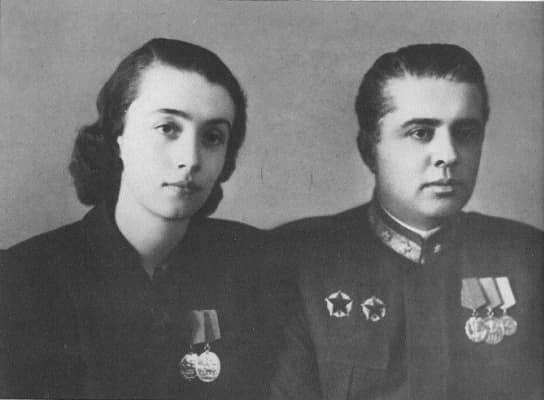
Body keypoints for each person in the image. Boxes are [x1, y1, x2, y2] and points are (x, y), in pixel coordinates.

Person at [268, 44, 543, 399]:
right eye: (420, 133)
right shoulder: (299, 261)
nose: (448, 155)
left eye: (465, 133)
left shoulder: (530, 259)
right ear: (369, 150)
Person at [0, 38, 268, 399]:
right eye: (167, 128)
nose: (191, 159)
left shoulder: (256, 263)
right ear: (118, 136)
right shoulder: (24, 279)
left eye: (213, 137)